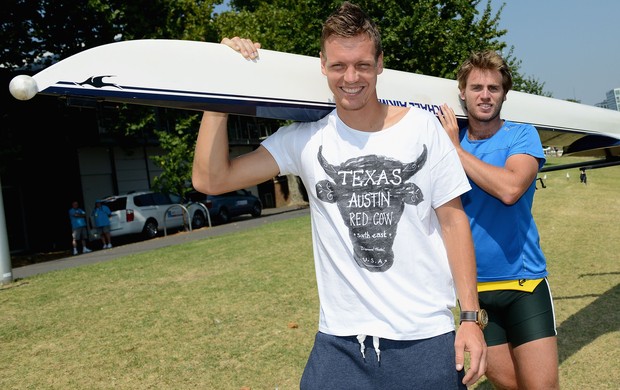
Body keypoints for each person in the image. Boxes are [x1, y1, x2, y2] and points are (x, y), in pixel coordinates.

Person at [192, 3, 486, 388]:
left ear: (380, 63)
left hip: (423, 338)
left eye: (363, 65)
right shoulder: (305, 139)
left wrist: (470, 319)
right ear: (322, 65)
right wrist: (223, 86)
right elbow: (211, 179)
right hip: (341, 343)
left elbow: (453, 221)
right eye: (339, 66)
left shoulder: (423, 130)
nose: (351, 77)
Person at [438, 50, 559, 389]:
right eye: (476, 87)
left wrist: (456, 152)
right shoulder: (447, 140)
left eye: (493, 88)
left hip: (524, 286)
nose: (485, 95)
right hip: (474, 293)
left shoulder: (521, 135)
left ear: (505, 93)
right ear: (462, 92)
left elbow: (510, 189)